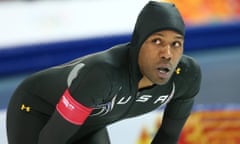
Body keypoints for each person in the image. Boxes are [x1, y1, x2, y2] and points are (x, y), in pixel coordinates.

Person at [6, 0, 201, 144]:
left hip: (89, 125)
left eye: (176, 44)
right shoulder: (103, 75)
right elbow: (52, 139)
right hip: (37, 111)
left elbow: (168, 137)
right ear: (138, 43)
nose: (167, 54)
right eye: (157, 41)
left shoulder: (185, 76)